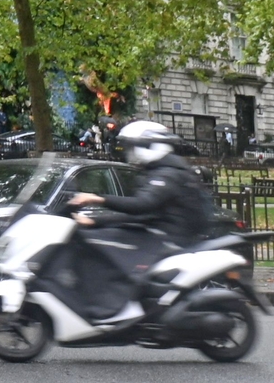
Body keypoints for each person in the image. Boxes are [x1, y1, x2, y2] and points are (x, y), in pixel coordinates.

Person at [58, 120, 219, 324]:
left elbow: (143, 204)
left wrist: (97, 198)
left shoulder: (168, 174)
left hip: (170, 237)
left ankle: (112, 307)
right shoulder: (158, 170)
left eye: (132, 147)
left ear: (149, 146)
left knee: (106, 249)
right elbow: (140, 215)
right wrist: (94, 222)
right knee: (98, 238)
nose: (129, 153)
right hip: (158, 232)